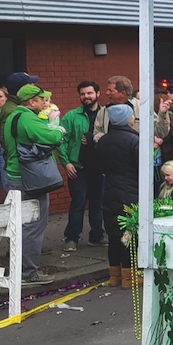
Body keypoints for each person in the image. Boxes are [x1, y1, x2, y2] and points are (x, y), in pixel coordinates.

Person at [3, 84, 65, 286]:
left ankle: (19, 269)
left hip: (14, 175)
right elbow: (53, 137)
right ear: (32, 102)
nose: (44, 102)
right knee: (33, 226)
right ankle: (28, 273)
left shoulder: (12, 116)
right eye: (41, 99)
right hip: (29, 179)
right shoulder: (28, 118)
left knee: (20, 226)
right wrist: (56, 125)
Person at [57, 81, 107, 252]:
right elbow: (60, 140)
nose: (86, 97)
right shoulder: (71, 116)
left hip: (100, 168)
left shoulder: (107, 114)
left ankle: (97, 236)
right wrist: (66, 163)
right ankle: (72, 238)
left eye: (89, 93)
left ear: (98, 94)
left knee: (98, 204)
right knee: (78, 203)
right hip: (77, 168)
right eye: (83, 94)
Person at [96, 104, 139, 289]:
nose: (133, 119)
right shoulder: (134, 140)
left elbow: (100, 167)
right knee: (129, 235)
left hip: (109, 191)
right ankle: (130, 278)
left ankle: (115, 276)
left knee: (113, 235)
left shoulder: (103, 141)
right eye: (132, 116)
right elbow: (140, 169)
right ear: (126, 119)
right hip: (130, 193)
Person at [92, 75, 172, 143]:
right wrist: (97, 137)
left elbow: (159, 132)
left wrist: (162, 114)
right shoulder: (103, 111)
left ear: (122, 93)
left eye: (110, 91)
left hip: (136, 157)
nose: (107, 93)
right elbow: (96, 132)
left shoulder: (141, 108)